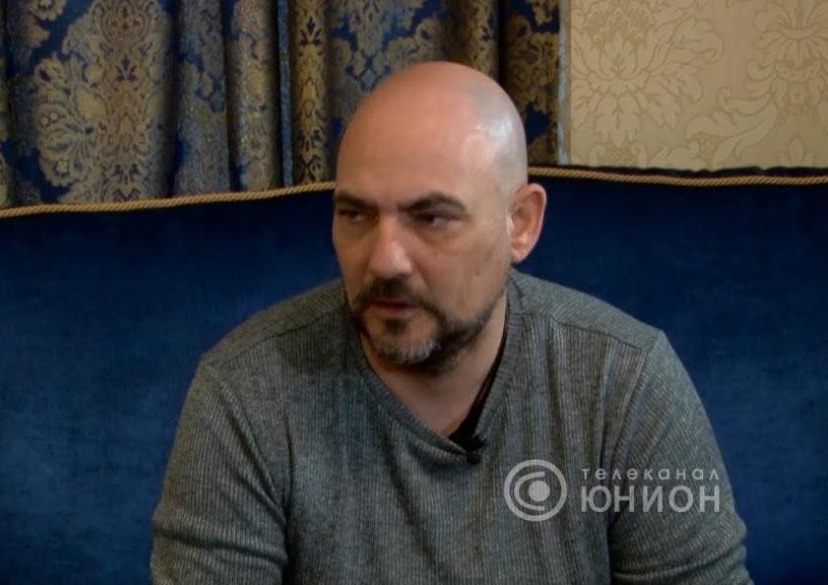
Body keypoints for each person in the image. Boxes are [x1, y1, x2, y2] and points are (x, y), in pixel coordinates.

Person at [151, 61, 751, 584]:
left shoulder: (625, 384)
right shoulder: (246, 394)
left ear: (521, 224)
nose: (384, 261)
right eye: (356, 215)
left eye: (432, 218)